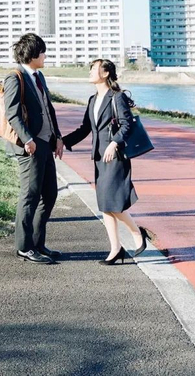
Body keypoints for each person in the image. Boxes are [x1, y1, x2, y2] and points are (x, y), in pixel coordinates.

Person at [62, 58, 149, 265]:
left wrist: (115, 143)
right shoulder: (93, 100)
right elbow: (85, 128)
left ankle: (137, 234)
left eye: (94, 69)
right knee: (105, 205)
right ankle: (115, 249)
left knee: (114, 204)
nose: (90, 72)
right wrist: (62, 141)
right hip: (99, 157)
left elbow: (127, 124)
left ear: (106, 73)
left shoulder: (116, 97)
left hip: (114, 156)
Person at [4, 33, 64, 264]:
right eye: (43, 52)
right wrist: (27, 138)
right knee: (29, 196)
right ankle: (24, 247)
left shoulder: (39, 77)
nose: (46, 56)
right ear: (33, 54)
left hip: (45, 144)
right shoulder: (15, 77)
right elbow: (13, 113)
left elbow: (49, 109)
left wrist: (57, 137)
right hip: (29, 146)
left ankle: (38, 243)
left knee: (49, 194)